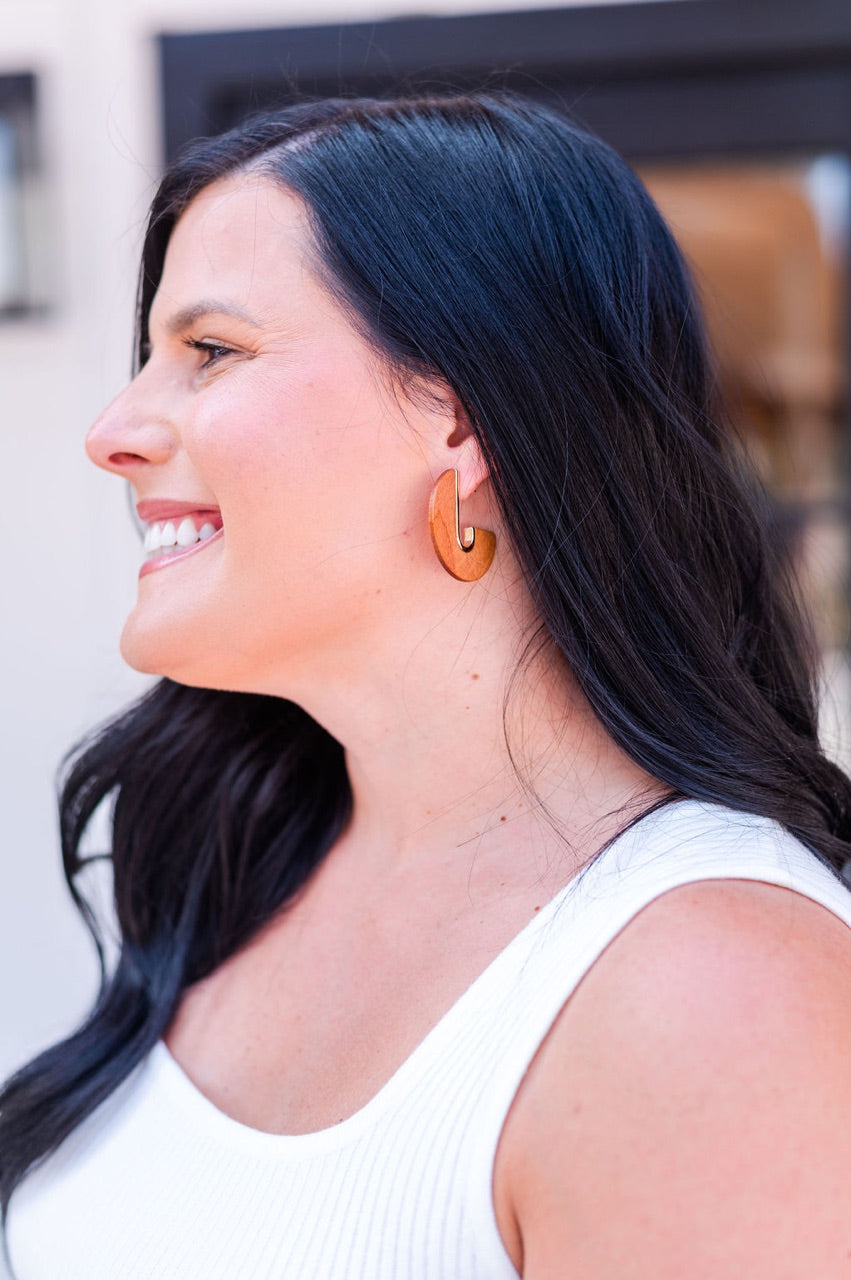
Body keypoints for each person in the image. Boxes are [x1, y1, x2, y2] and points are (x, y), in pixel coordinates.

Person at [3, 92, 851, 1278]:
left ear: (458, 417)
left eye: (212, 351)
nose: (114, 430)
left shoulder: (711, 993)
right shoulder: (247, 849)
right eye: (151, 358)